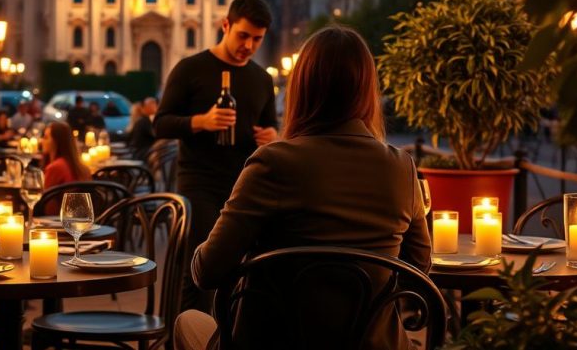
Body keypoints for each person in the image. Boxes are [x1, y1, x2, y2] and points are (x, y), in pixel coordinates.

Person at [172, 26, 432, 350]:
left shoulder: (274, 162)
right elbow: (419, 267)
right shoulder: (401, 166)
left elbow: (207, 272)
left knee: (187, 322)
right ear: (367, 90)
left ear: (303, 88)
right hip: (372, 343)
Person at [154, 0, 278, 314]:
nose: (249, 46)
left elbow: (271, 127)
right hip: (199, 183)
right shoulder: (190, 68)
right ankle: (185, 335)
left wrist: (271, 136)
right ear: (225, 25)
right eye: (243, 35)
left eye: (257, 39)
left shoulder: (262, 79)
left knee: (249, 269)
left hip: (245, 185)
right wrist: (201, 122)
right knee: (198, 270)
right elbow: (161, 124)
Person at [41, 121, 92, 212]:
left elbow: (48, 207)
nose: (41, 141)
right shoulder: (82, 167)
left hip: (59, 221)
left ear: (56, 141)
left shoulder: (55, 168)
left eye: (45, 137)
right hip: (80, 219)